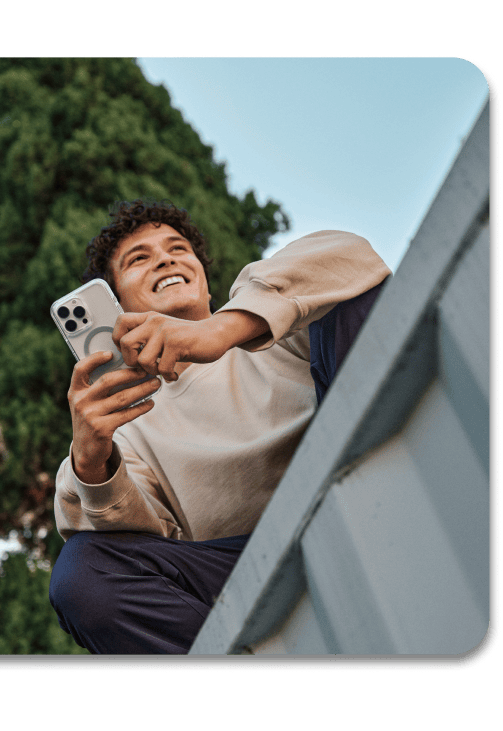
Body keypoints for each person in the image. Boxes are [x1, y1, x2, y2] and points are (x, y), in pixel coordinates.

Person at [48, 198, 390, 654]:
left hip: (360, 468)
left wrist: (219, 332)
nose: (166, 258)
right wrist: (92, 462)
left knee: (346, 296)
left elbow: (349, 254)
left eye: (177, 248)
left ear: (205, 279)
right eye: (139, 258)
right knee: (81, 574)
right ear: (116, 306)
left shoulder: (273, 325)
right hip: (248, 564)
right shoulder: (126, 427)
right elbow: (132, 549)